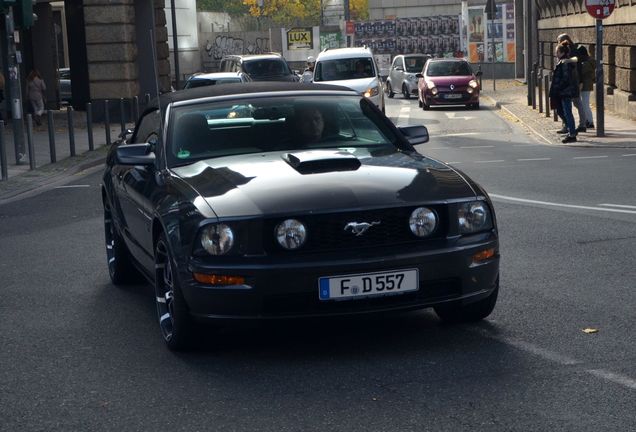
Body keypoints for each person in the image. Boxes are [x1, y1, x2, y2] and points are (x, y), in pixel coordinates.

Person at [550, 43, 579, 143]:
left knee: (567, 113)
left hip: (565, 92)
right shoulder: (562, 62)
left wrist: (558, 87)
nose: (556, 53)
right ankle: (571, 130)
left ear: (562, 52)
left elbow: (565, 79)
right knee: (561, 111)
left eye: (557, 52)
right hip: (562, 92)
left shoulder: (565, 63)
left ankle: (572, 134)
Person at [556, 34, 585, 133]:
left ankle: (577, 126)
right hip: (572, 84)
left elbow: (576, 66)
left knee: (572, 105)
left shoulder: (570, 52)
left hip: (571, 85)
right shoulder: (566, 52)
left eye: (558, 41)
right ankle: (574, 126)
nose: (558, 43)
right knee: (570, 106)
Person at [577, 46, 596, 131]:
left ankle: (590, 122)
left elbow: (583, 72)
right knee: (584, 104)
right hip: (585, 85)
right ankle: (587, 120)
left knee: (585, 104)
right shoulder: (587, 61)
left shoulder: (587, 63)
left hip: (586, 85)